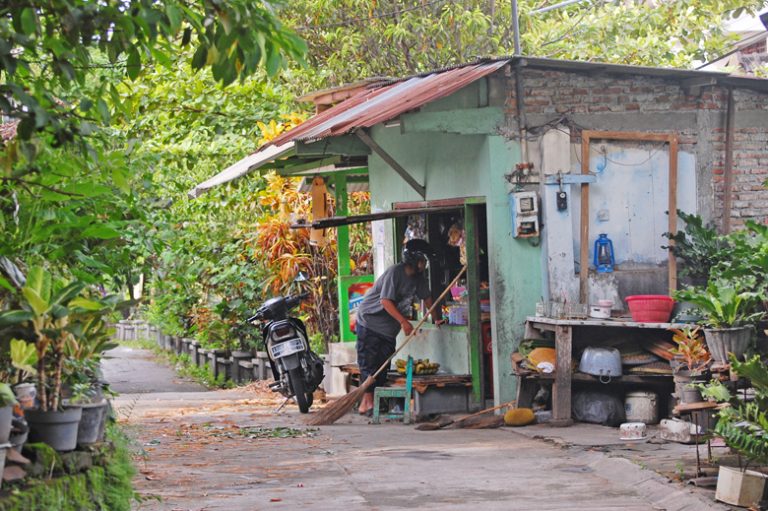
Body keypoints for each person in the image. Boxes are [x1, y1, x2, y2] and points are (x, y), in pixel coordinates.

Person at [355, 239, 444, 416]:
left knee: (383, 365)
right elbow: (385, 301)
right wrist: (404, 322)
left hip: (388, 330)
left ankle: (374, 402)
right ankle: (366, 403)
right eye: (422, 260)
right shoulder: (394, 273)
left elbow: (427, 298)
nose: (424, 264)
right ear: (412, 259)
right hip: (370, 323)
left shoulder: (419, 279)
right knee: (369, 363)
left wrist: (437, 319)